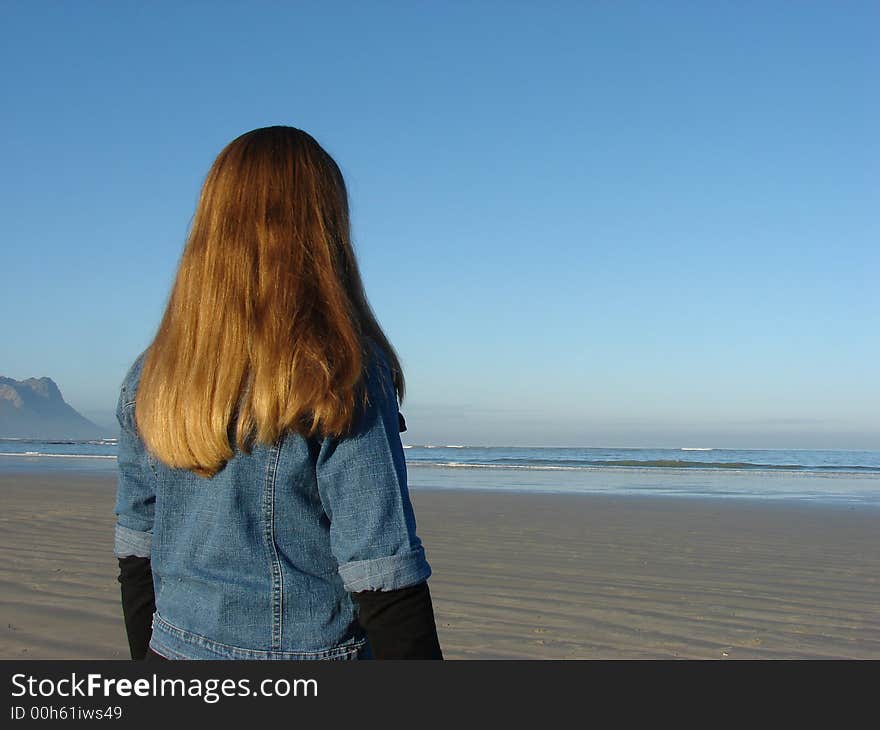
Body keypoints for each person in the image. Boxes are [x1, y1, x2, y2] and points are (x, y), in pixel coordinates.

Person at [113, 126, 442, 660]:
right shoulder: (338, 370)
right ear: (323, 228)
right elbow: (382, 571)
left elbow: (136, 545)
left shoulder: (152, 375)